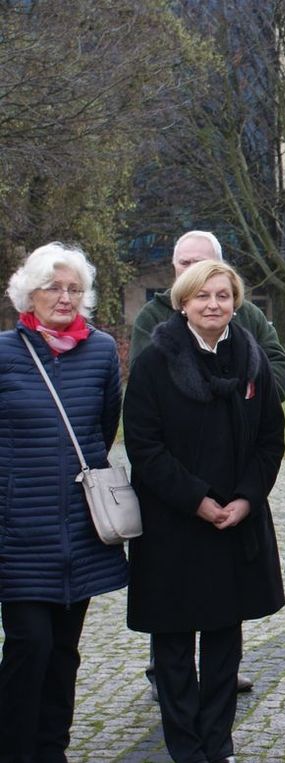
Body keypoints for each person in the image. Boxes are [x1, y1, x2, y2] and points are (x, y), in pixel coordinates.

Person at [123, 259, 285, 763]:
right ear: (183, 302)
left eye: (222, 295)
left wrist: (244, 498)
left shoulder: (250, 358)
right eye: (202, 296)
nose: (213, 305)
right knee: (173, 648)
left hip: (235, 523)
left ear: (235, 302)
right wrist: (197, 499)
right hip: (174, 524)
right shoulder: (155, 360)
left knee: (223, 646)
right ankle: (186, 747)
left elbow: (270, 439)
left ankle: (217, 744)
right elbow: (144, 446)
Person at [0, 243, 128, 762]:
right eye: (54, 286)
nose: (65, 297)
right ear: (28, 293)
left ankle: (52, 748)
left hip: (80, 530)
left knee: (65, 652)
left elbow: (103, 427)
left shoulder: (100, 352)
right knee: (29, 645)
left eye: (75, 288)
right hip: (18, 530)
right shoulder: (5, 352)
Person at [131, 230, 285, 401]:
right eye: (184, 263)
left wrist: (251, 398)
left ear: (219, 265)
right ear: (174, 265)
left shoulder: (249, 315)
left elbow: (278, 366)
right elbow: (143, 379)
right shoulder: (153, 315)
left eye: (200, 262)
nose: (191, 269)